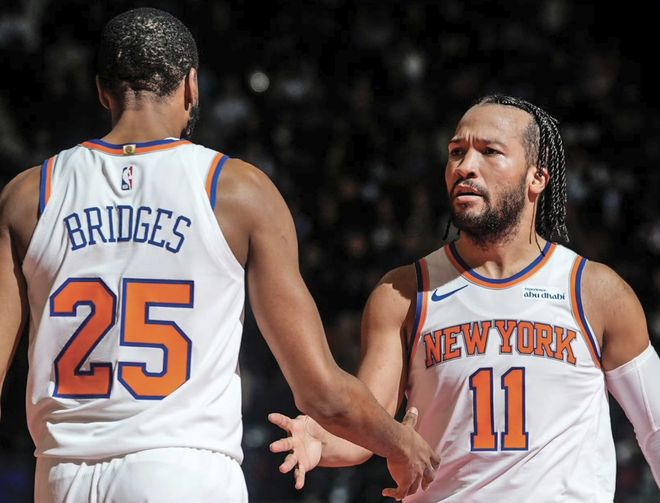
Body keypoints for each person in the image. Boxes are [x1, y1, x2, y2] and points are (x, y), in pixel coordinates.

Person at [0, 7, 440, 503]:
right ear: (191, 86)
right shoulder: (235, 190)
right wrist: (399, 440)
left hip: (61, 475)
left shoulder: (29, 195)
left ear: (103, 91)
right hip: (184, 471)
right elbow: (320, 392)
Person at [269, 94, 660, 502]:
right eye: (457, 152)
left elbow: (655, 428)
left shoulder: (593, 290)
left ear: (537, 178)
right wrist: (321, 438)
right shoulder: (404, 293)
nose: (465, 166)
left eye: (489, 152)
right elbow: (369, 426)